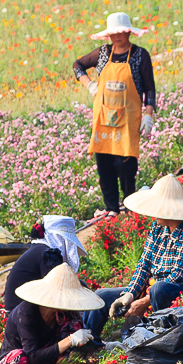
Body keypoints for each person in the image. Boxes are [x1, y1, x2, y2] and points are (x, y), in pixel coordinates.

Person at [73, 11, 157, 214]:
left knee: (126, 165)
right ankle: (111, 208)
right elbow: (78, 66)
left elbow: (150, 88)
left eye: (121, 33)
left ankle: (130, 206)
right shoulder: (102, 53)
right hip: (104, 119)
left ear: (129, 32)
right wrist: (90, 85)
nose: (117, 37)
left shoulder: (140, 55)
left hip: (128, 121)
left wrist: (148, 115)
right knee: (105, 167)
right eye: (114, 34)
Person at [106, 174, 183, 322]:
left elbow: (177, 278)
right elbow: (144, 265)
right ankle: (93, 342)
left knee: (160, 289)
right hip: (154, 290)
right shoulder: (158, 227)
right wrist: (129, 294)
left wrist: (144, 301)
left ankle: (158, 329)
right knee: (102, 295)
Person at [0, 264, 105, 364]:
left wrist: (103, 346)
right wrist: (70, 340)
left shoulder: (64, 313)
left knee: (74, 324)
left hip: (48, 360)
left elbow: (81, 335)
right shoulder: (26, 313)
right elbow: (32, 357)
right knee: (20, 358)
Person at [2, 215, 88, 313]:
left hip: (20, 309)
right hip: (22, 313)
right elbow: (58, 286)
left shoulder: (39, 249)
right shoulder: (47, 254)